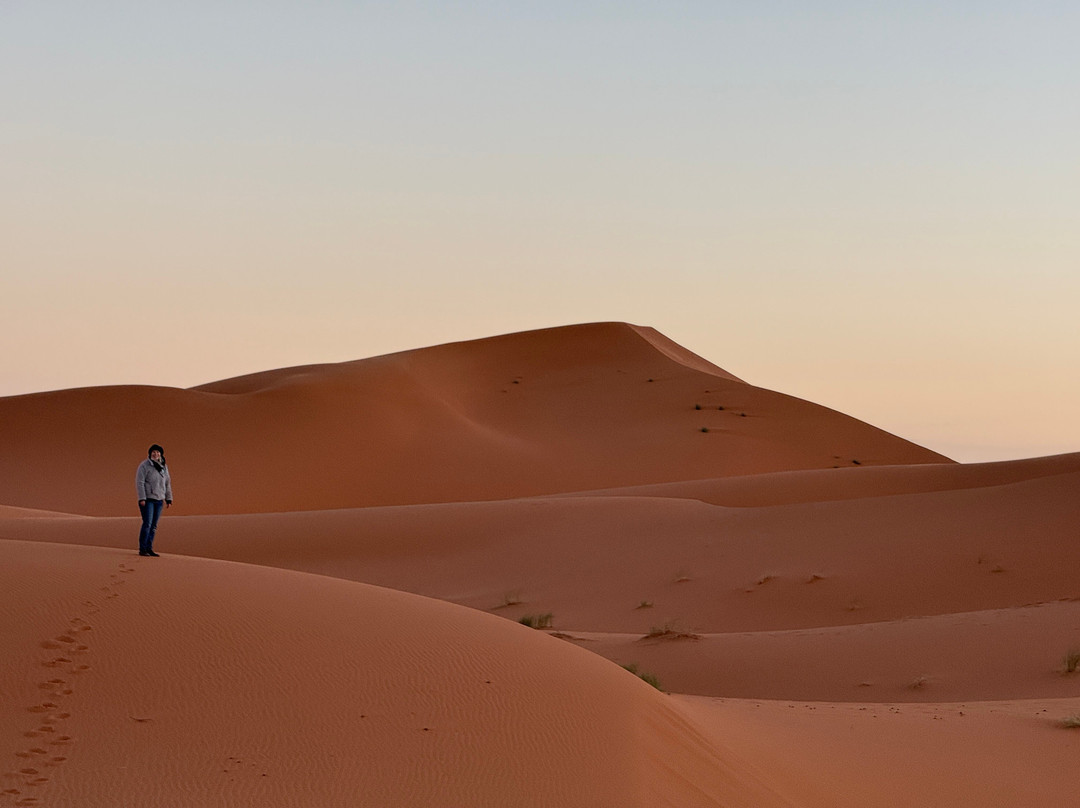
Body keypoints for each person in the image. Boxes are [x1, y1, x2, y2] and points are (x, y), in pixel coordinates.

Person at [136, 444, 173, 557]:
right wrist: (142, 498)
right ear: (150, 453)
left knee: (154, 526)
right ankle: (143, 549)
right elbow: (140, 482)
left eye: (157, 452)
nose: (155, 454)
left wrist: (169, 498)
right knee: (147, 524)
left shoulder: (164, 466)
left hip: (159, 499)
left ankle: (149, 548)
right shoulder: (144, 466)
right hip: (148, 500)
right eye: (153, 452)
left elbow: (167, 483)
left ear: (161, 454)